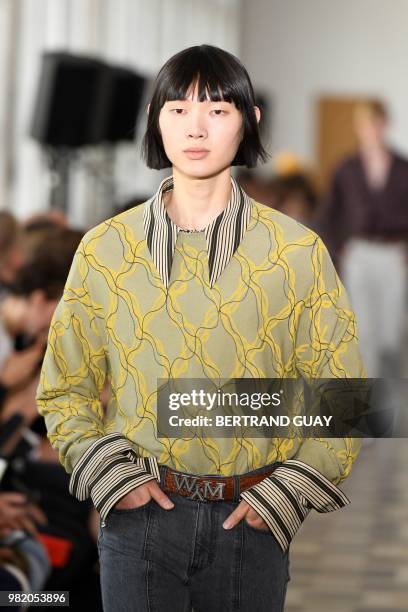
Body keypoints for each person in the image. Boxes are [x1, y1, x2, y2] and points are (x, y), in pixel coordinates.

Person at [36, 45, 365, 612]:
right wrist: (115, 479)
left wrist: (281, 496)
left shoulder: (296, 253)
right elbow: (66, 389)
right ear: (154, 120)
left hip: (252, 520)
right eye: (177, 109)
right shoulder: (106, 251)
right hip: (136, 515)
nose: (196, 128)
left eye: (217, 110)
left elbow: (341, 398)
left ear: (250, 120)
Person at [316, 100, 408, 378]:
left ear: (385, 124)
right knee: (363, 329)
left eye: (375, 123)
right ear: (359, 128)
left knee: (390, 334)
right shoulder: (347, 168)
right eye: (365, 124)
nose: (371, 130)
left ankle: (389, 395)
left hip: (394, 254)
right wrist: (340, 251)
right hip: (359, 253)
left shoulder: (403, 168)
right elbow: (328, 214)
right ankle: (368, 402)